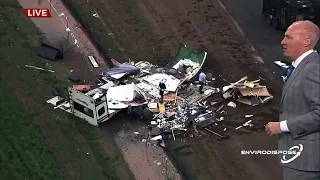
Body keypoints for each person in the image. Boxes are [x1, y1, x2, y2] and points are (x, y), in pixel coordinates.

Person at [265, 20, 320, 180]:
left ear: (306, 41)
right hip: (299, 158)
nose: (283, 42)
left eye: (288, 37)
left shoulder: (313, 69)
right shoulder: (303, 67)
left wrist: (282, 126)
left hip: (306, 162)